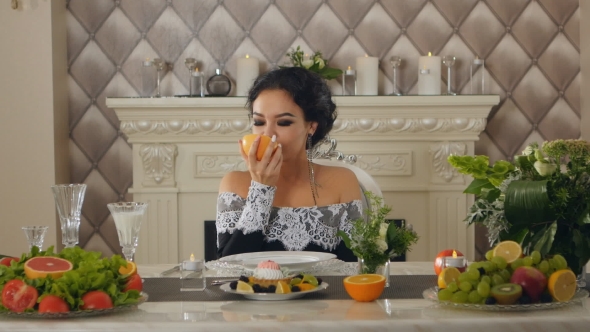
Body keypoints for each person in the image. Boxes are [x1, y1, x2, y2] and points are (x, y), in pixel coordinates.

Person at [216, 67, 363, 262]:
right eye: (259, 122)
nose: (267, 134)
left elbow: (352, 267)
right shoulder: (234, 183)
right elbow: (229, 267)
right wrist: (261, 189)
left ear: (311, 126)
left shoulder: (342, 181)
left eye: (283, 123)